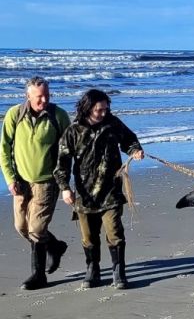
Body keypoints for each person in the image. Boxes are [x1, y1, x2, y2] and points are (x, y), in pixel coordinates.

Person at [54, 89, 144, 289]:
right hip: (85, 195)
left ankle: (118, 271)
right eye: (99, 110)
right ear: (88, 108)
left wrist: (135, 150)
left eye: (106, 108)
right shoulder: (73, 131)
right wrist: (65, 188)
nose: (104, 113)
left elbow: (129, 139)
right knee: (88, 237)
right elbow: (62, 163)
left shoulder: (113, 124)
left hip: (111, 190)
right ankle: (92, 269)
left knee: (114, 232)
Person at [1, 76, 71, 290]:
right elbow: (4, 149)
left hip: (46, 182)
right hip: (21, 182)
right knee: (21, 227)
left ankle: (38, 275)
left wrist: (64, 183)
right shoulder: (15, 114)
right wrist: (10, 178)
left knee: (37, 229)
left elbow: (67, 151)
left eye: (47, 96)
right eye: (39, 97)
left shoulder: (58, 116)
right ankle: (55, 247)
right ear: (28, 96)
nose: (44, 100)